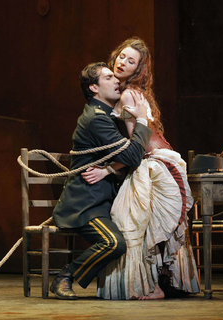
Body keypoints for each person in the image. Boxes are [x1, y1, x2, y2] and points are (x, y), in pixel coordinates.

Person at [82, 38, 200, 300]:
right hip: (158, 159)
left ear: (137, 70)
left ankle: (150, 287)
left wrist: (108, 170)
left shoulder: (126, 94)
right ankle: (159, 285)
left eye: (130, 61)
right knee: (141, 224)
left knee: (132, 223)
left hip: (154, 162)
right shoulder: (126, 91)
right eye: (122, 56)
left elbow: (139, 147)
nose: (122, 62)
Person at [49, 62, 152, 300]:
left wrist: (108, 169)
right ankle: (66, 276)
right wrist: (143, 121)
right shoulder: (96, 118)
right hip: (85, 205)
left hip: (104, 202)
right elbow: (132, 156)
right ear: (94, 88)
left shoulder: (108, 116)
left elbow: (124, 157)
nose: (116, 80)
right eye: (108, 78)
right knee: (114, 243)